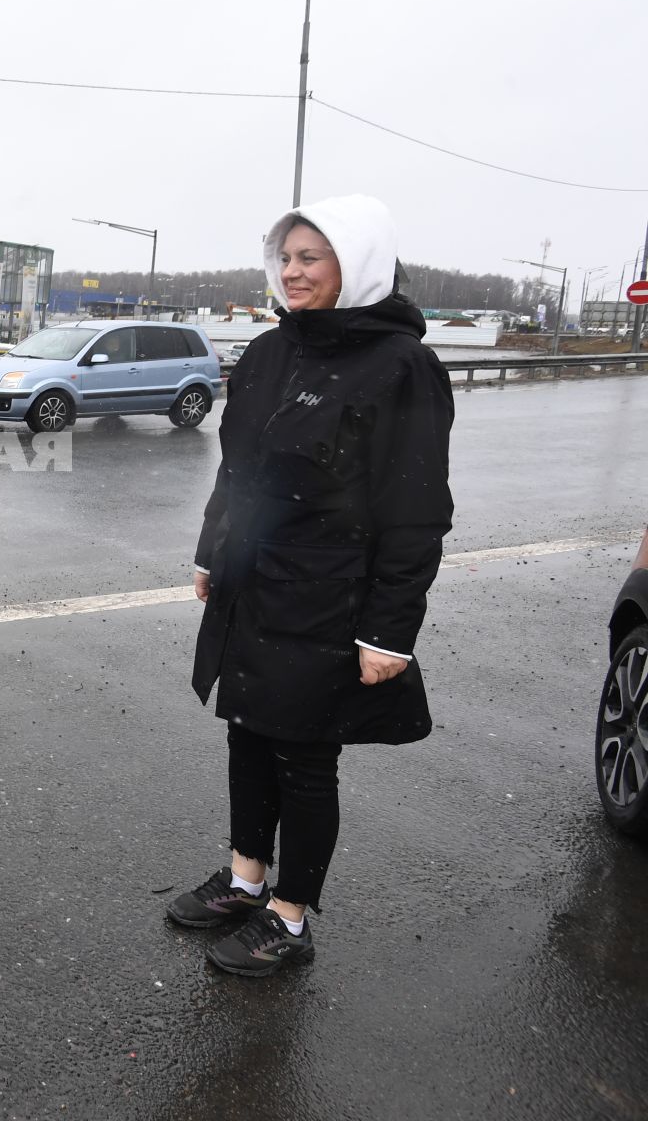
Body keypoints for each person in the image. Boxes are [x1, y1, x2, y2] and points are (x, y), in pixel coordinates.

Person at [170, 194, 454, 976]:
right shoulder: (267, 355)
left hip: (330, 598)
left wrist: (389, 633)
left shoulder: (403, 368)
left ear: (355, 264)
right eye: (286, 258)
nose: (292, 273)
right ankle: (243, 878)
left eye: (311, 258)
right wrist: (209, 553)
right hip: (251, 585)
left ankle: (289, 917)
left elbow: (416, 510)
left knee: (303, 757)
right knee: (247, 735)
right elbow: (236, 472)